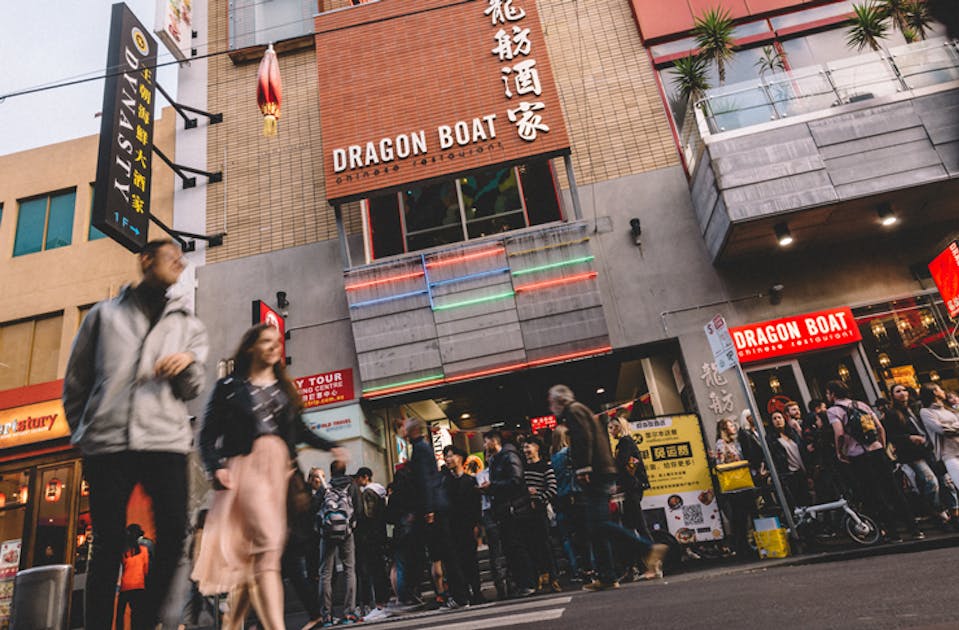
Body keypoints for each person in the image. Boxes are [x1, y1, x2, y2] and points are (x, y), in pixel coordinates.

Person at [63, 238, 209, 630]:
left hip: (164, 440)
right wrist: (82, 431)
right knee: (108, 545)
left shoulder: (188, 324)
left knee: (176, 530)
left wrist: (186, 365)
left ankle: (146, 621)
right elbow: (76, 379)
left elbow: (193, 389)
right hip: (108, 443)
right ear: (146, 260)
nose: (180, 261)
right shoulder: (103, 316)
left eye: (182, 257)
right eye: (171, 256)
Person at [193, 323, 343, 629]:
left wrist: (332, 446)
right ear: (250, 347)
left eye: (277, 342)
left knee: (257, 559)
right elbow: (207, 436)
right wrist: (215, 467)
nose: (275, 346)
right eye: (266, 341)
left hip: (282, 476)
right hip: (246, 469)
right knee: (267, 545)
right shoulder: (229, 387)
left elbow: (300, 430)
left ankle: (232, 623)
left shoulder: (283, 389)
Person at [548, 385, 666, 591]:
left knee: (599, 525)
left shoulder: (573, 411)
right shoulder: (579, 410)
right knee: (596, 527)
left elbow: (584, 439)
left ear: (559, 401)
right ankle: (607, 575)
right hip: (601, 470)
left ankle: (648, 549)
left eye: (551, 402)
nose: (551, 407)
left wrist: (584, 468)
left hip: (596, 472)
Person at [826, 380, 922, 542]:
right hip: (877, 450)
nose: (828, 396)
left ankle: (893, 532)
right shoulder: (862, 405)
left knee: (874, 493)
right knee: (894, 490)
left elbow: (840, 434)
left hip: (859, 456)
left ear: (833, 394)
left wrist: (839, 452)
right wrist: (882, 446)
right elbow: (879, 428)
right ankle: (914, 529)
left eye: (828, 393)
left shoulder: (834, 411)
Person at [408, 417, 468, 608]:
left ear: (412, 431)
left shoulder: (421, 448)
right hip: (436, 506)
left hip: (435, 509)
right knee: (446, 554)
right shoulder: (422, 447)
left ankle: (460, 597)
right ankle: (459, 595)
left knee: (447, 554)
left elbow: (426, 481)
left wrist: (429, 509)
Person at [479, 429, 535, 598]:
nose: (484, 445)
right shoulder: (497, 459)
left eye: (485, 441)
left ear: (493, 442)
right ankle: (521, 583)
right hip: (503, 509)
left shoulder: (508, 456)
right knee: (511, 548)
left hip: (513, 508)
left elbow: (516, 480)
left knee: (517, 547)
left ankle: (527, 583)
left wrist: (493, 486)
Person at [885, 384, 950, 525]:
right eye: (898, 391)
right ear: (893, 396)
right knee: (930, 480)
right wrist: (909, 438)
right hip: (911, 454)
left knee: (943, 478)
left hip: (928, 448)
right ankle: (937, 510)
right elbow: (891, 436)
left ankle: (943, 508)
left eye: (904, 390)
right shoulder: (892, 413)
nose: (902, 393)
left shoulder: (916, 407)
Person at [609, 414, 656, 580]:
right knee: (631, 527)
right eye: (610, 428)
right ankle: (637, 567)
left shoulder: (626, 442)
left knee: (638, 527)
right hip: (630, 488)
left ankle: (652, 565)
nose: (611, 431)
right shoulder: (623, 443)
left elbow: (627, 464)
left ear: (621, 427)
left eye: (614, 427)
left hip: (632, 489)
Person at [316, 459, 361, 626]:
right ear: (345, 470)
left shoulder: (325, 487)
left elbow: (315, 508)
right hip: (347, 533)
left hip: (327, 534)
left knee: (325, 574)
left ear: (331, 472)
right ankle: (349, 613)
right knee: (350, 570)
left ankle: (326, 616)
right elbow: (359, 509)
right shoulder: (352, 486)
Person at [442, 446, 484, 604]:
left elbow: (475, 505)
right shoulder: (445, 481)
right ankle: (464, 593)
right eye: (446, 456)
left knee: (471, 561)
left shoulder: (470, 481)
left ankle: (477, 592)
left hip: (467, 526)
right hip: (451, 528)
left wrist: (477, 525)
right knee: (457, 562)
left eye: (451, 456)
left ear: (460, 458)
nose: (448, 459)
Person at [520, 436, 561, 592]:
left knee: (545, 544)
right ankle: (540, 575)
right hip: (525, 512)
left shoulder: (545, 466)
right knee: (532, 545)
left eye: (528, 446)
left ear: (537, 447)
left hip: (540, 511)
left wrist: (538, 498)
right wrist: (526, 494)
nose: (526, 450)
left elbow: (552, 489)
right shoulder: (522, 468)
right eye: (524, 447)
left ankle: (553, 577)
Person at [550, 426, 587, 582]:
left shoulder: (551, 456)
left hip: (559, 498)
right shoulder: (569, 453)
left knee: (566, 537)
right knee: (583, 533)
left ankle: (575, 569)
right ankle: (588, 567)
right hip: (574, 496)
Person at [919, 383, 959, 521]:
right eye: (940, 389)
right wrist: (956, 427)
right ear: (934, 392)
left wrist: (951, 427)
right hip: (948, 453)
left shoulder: (947, 410)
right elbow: (940, 429)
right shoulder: (926, 412)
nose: (943, 391)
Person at [354, 467, 390, 618]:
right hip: (381, 533)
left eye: (359, 478)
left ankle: (380, 602)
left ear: (365, 477)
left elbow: (368, 515)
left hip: (371, 536)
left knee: (375, 569)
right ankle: (385, 599)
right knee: (381, 567)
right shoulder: (381, 491)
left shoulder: (368, 492)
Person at [767, 410, 811, 507]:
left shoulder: (792, 433)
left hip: (802, 471)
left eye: (779, 417)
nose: (778, 420)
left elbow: (802, 450)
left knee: (808, 501)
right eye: (774, 419)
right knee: (797, 503)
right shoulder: (771, 439)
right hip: (789, 475)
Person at [117, 524, 151, 630]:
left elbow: (120, 569)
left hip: (125, 586)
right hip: (139, 585)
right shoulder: (144, 550)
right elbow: (146, 569)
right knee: (136, 615)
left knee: (120, 615)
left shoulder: (124, 551)